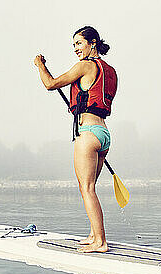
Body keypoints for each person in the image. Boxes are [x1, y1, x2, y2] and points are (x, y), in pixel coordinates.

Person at [34, 26, 117, 253]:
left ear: (92, 42)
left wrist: (40, 66)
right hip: (104, 134)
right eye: (73, 46)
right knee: (90, 188)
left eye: (78, 44)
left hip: (88, 134)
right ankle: (94, 234)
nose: (76, 49)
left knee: (86, 188)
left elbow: (50, 84)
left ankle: (100, 241)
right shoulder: (109, 70)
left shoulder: (85, 66)